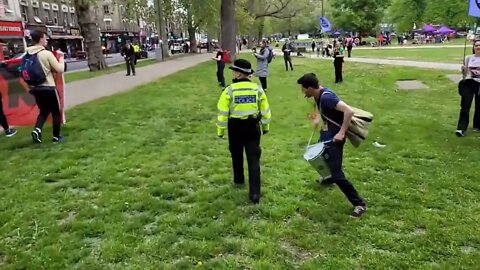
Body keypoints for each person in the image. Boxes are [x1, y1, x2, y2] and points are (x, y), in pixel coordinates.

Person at [297, 73, 367, 218]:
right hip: (327, 133)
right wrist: (317, 119)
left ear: (310, 88)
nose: (302, 92)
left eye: (303, 89)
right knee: (320, 155)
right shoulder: (317, 95)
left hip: (335, 137)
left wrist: (341, 133)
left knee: (338, 174)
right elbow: (319, 109)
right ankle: (329, 178)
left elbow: (349, 111)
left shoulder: (327, 97)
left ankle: (359, 204)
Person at [216, 59, 272, 204]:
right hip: (253, 126)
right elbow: (265, 111)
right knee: (254, 159)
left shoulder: (229, 90)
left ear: (240, 74)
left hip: (235, 127)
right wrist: (265, 127)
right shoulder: (257, 89)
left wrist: (220, 131)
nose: (233, 73)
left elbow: (222, 113)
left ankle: (239, 179)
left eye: (234, 71)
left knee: (236, 154)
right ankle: (255, 194)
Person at [26, 30, 66, 143]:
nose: (47, 40)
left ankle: (37, 130)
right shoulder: (46, 54)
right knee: (55, 112)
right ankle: (56, 136)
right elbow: (60, 69)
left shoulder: (28, 54)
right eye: (45, 38)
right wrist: (61, 58)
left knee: (43, 111)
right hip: (48, 87)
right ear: (40, 39)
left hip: (35, 88)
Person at [457, 39, 480, 137]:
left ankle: (477, 125)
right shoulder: (468, 58)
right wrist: (463, 70)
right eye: (476, 45)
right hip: (469, 83)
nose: (478, 47)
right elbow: (465, 73)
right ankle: (461, 128)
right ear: (473, 47)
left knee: (479, 106)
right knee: (465, 105)